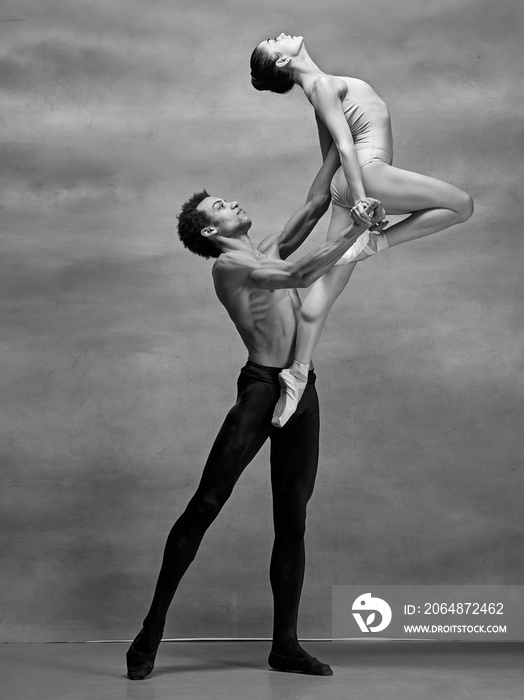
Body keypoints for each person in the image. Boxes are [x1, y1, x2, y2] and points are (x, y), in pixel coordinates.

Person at [125, 145, 383, 680]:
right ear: (211, 231)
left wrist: (340, 149)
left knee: (293, 521)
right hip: (263, 389)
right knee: (207, 503)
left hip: (301, 386)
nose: (234, 201)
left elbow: (314, 204)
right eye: (221, 204)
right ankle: (150, 631)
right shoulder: (228, 267)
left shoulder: (264, 249)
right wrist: (357, 231)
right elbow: (297, 276)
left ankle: (284, 646)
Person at [250, 34, 474, 426]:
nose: (280, 35)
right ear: (283, 62)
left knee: (327, 287)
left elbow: (331, 158)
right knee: (461, 205)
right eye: (274, 42)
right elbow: (346, 145)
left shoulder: (318, 90)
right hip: (367, 177)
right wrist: (360, 200)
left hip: (351, 183)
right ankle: (377, 242)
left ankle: (296, 375)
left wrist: (331, 200)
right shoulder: (319, 86)